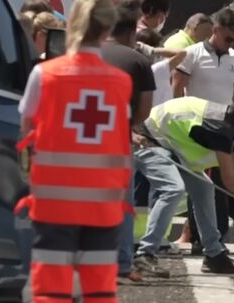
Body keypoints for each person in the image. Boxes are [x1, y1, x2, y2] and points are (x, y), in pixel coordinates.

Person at [16, 0, 133, 303]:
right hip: (103, 212)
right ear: (107, 30)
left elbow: (26, 129)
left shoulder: (45, 75)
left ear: (73, 27)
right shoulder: (120, 83)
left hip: (53, 210)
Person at [136, 96, 234, 273]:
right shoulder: (219, 129)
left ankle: (214, 256)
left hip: (172, 145)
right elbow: (229, 178)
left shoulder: (229, 129)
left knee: (204, 188)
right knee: (173, 189)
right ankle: (145, 253)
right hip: (148, 139)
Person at [174, 7, 234, 250]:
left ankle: (218, 237)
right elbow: (177, 86)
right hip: (197, 127)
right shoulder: (192, 54)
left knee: (222, 184)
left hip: (224, 128)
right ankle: (197, 236)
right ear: (215, 29)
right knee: (200, 185)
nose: (231, 44)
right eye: (228, 38)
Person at [98, 1, 156, 281]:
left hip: (80, 139)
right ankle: (122, 261)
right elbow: (145, 110)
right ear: (133, 33)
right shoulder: (138, 61)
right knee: (121, 202)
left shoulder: (87, 54)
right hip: (118, 140)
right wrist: (127, 125)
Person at [136, 29, 187, 108]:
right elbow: (182, 53)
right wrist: (152, 50)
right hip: (160, 112)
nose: (163, 49)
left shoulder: (137, 68)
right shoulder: (157, 69)